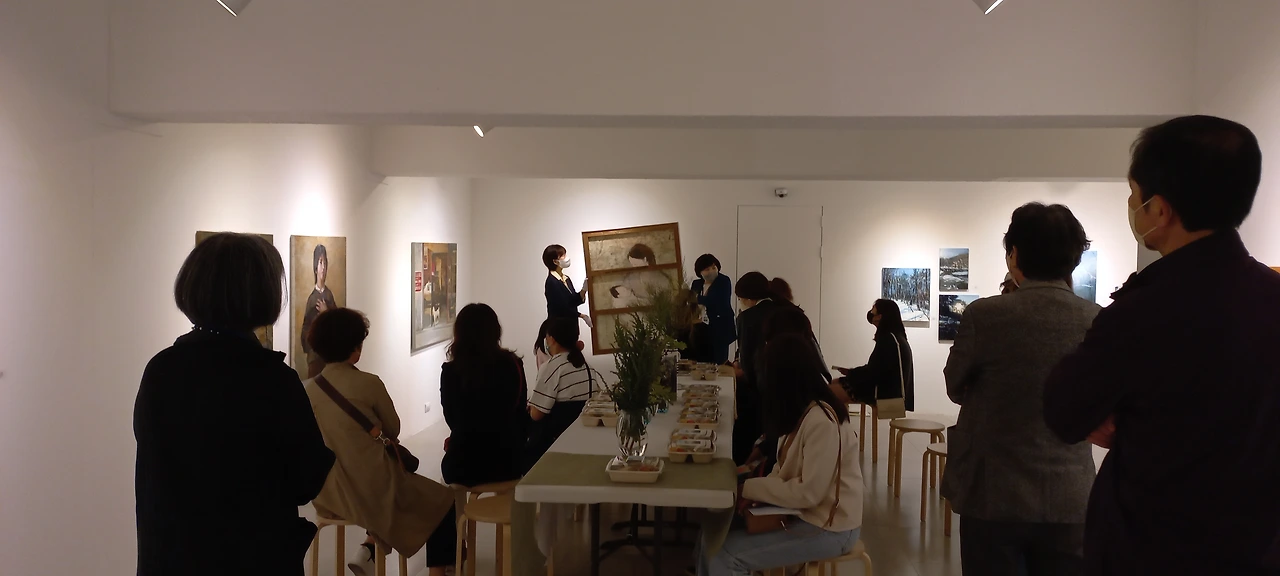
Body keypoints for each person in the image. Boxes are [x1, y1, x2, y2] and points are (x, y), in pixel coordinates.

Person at [1044, 116, 1280, 574]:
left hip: (1152, 546)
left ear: (1160, 210)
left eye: (1135, 194)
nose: (1133, 206)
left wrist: (1117, 413)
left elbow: (1066, 410)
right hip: (1254, 550)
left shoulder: (1143, 311)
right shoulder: (1272, 298)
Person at [135, 233, 335, 576]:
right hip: (254, 560)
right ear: (262, 294)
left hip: (173, 562)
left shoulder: (160, 370)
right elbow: (306, 481)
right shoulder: (273, 379)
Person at [941, 203, 1099, 576]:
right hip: (1070, 496)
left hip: (994, 493)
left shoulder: (985, 315)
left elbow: (955, 385)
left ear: (1014, 254)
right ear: (1074, 257)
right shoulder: (1096, 319)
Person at [304, 309, 454, 576]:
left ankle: (369, 548)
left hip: (328, 495)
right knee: (442, 502)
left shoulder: (307, 390)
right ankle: (433, 571)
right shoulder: (369, 383)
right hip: (373, 490)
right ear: (355, 348)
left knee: (377, 498)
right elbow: (393, 429)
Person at [699, 334, 864, 576]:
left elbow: (809, 493)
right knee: (713, 532)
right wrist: (754, 492)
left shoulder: (822, 421)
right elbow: (783, 470)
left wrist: (748, 489)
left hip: (830, 527)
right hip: (804, 514)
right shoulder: (803, 411)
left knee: (726, 555)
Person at [440, 303, 529, 488]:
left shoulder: (451, 371)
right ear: (495, 331)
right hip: (508, 461)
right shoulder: (513, 365)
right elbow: (520, 413)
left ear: (459, 334)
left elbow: (452, 419)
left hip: (463, 464)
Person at [524, 317, 606, 473]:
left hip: (554, 443)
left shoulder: (552, 367)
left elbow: (536, 414)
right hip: (582, 439)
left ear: (551, 339)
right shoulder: (587, 367)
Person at [830, 299, 914, 413]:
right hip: (886, 388)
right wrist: (852, 372)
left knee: (828, 391)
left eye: (873, 312)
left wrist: (852, 373)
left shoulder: (888, 339)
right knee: (835, 383)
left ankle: (840, 423)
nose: (870, 315)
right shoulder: (895, 337)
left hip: (882, 392)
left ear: (880, 316)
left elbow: (874, 372)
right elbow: (877, 368)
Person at [731, 271, 781, 465]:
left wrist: (735, 371)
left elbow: (747, 365)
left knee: (743, 430)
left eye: (740, 298)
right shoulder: (782, 309)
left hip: (758, 388)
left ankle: (741, 469)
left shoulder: (747, 317)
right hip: (782, 383)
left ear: (748, 297)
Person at [690, 254, 737, 364]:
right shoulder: (696, 284)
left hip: (720, 327)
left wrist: (698, 298)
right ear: (700, 272)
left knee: (719, 361)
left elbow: (717, 301)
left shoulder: (724, 281)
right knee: (702, 360)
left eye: (714, 267)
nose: (711, 271)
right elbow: (691, 302)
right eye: (707, 269)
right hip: (700, 328)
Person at [302, 243, 339, 378]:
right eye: (320, 263)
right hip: (315, 359)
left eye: (325, 263)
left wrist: (326, 313)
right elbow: (305, 331)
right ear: (315, 268)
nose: (323, 268)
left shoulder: (329, 296)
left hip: (329, 359)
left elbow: (338, 325)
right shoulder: (312, 299)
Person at [542, 244, 591, 326]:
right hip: (559, 326)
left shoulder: (566, 278)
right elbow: (562, 307)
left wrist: (584, 290)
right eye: (562, 256)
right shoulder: (551, 282)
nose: (566, 257)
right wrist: (582, 315)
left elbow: (573, 301)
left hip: (571, 324)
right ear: (555, 261)